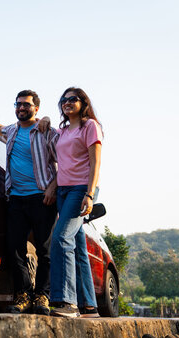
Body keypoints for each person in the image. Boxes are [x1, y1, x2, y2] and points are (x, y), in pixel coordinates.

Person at [0, 89, 58, 315]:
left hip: (42, 198)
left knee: (45, 250)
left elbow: (63, 163)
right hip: (15, 198)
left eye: (26, 104)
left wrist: (52, 188)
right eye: (18, 104)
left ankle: (43, 297)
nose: (21, 108)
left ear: (36, 108)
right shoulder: (12, 131)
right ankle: (24, 294)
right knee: (14, 249)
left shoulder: (48, 132)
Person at [49, 87, 103, 318]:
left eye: (73, 99)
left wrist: (89, 195)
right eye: (64, 99)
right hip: (63, 190)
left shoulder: (90, 126)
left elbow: (95, 163)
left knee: (61, 238)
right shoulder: (62, 131)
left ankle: (68, 302)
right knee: (79, 246)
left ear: (83, 103)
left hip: (81, 190)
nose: (67, 102)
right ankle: (89, 305)